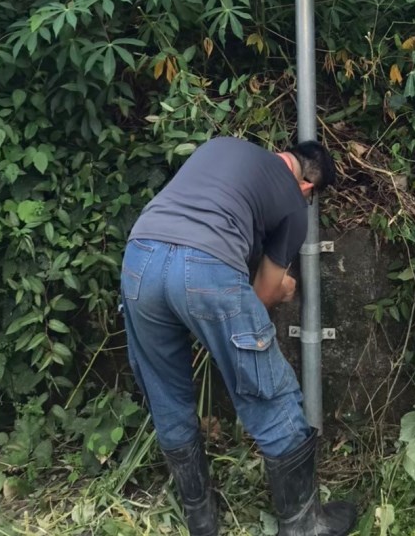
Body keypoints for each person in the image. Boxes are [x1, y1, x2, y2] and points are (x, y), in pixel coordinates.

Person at [120, 135, 356, 536]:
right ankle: (304, 524)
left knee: (165, 390)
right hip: (206, 265)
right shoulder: (294, 203)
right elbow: (262, 295)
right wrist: (282, 291)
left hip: (140, 257)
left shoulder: (221, 146)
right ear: (307, 187)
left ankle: (200, 517)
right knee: (269, 390)